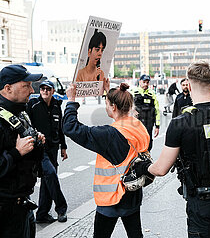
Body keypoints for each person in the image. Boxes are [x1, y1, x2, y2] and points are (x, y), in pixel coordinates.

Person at [135, 61, 210, 237]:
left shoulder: (181, 123)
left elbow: (161, 169)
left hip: (203, 200)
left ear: (190, 86)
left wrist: (141, 166)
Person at [63, 82, 150, 238]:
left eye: (107, 104)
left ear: (113, 107)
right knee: (136, 234)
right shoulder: (138, 126)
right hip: (133, 191)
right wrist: (108, 91)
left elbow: (71, 128)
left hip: (112, 197)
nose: (106, 107)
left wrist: (71, 100)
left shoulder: (109, 135)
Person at [0, 64, 45, 238]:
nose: (32, 90)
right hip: (5, 212)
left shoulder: (20, 113)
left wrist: (37, 143)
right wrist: (16, 152)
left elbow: (31, 161)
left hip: (23, 207)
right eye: (26, 85)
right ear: (8, 88)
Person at [27, 79, 68, 223]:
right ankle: (61, 209)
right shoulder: (33, 104)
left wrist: (64, 147)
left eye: (48, 89)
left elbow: (60, 128)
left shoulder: (57, 106)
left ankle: (42, 214)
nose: (45, 91)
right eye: (43, 88)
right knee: (50, 174)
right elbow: (26, 125)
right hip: (39, 148)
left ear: (53, 91)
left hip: (53, 148)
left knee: (47, 181)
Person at [131, 74, 160, 151]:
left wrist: (157, 126)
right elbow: (126, 107)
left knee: (148, 144)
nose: (145, 84)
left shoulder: (152, 94)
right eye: (144, 82)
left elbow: (157, 110)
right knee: (136, 144)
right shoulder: (133, 92)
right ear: (140, 82)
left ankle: (147, 159)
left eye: (147, 82)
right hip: (136, 124)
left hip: (149, 124)